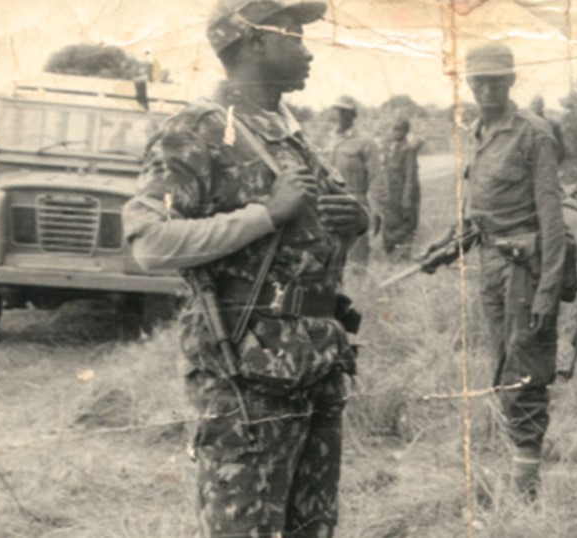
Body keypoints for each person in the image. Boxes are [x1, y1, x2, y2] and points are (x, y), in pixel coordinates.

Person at [121, 1, 369, 535]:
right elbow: (150, 242)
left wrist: (354, 220)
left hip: (315, 363)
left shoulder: (286, 130)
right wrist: (265, 214)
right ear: (254, 41)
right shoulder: (197, 129)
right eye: (294, 35)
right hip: (246, 377)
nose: (306, 50)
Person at [464, 42, 567, 501]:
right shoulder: (478, 133)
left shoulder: (533, 133)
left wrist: (549, 289)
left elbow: (552, 219)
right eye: (478, 81)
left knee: (525, 368)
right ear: (469, 85)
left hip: (525, 269)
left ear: (511, 82)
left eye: (496, 80)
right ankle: (519, 473)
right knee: (503, 368)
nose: (487, 88)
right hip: (490, 265)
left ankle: (526, 492)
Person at [325, 95, 384, 267]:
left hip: (355, 201)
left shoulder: (365, 142)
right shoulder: (331, 140)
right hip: (331, 200)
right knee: (332, 254)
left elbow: (376, 177)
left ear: (353, 115)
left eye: (345, 112)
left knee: (357, 256)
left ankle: (360, 289)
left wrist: (377, 209)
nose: (341, 116)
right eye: (338, 111)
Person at [380, 118, 421, 261]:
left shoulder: (408, 150)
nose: (396, 132)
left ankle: (403, 255)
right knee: (391, 222)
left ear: (406, 132)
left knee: (405, 223)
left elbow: (410, 176)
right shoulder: (391, 148)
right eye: (394, 129)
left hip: (403, 193)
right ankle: (392, 253)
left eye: (399, 129)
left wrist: (407, 197)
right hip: (392, 194)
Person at [530, 95, 566, 164]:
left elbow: (561, 149)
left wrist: (554, 164)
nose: (535, 106)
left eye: (538, 103)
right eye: (533, 103)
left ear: (543, 105)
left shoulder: (552, 124)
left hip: (547, 162)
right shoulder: (526, 124)